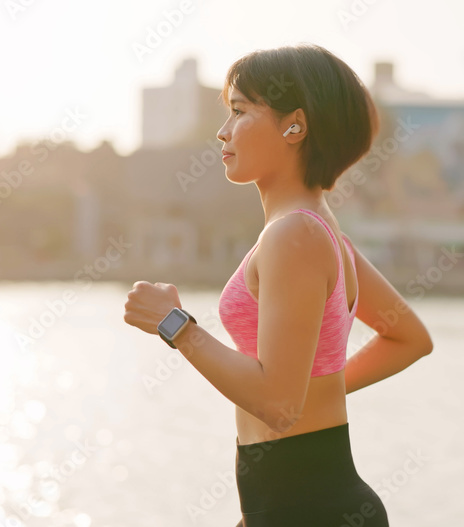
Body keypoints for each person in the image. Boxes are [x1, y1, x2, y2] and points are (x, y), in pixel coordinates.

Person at [123, 43, 434, 527]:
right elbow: (407, 338)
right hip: (290, 507)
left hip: (313, 510)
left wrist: (175, 326)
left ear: (296, 126)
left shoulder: (296, 234)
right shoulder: (318, 231)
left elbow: (278, 405)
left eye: (240, 111)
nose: (222, 132)